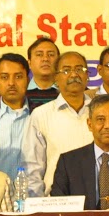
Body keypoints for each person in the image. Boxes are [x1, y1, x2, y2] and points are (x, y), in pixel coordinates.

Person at [22, 50, 92, 196]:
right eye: (66, 70)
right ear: (55, 78)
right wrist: (38, 204)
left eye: (79, 69)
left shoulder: (100, 113)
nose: (74, 75)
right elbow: (32, 168)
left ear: (87, 76)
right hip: (57, 200)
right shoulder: (41, 115)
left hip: (97, 199)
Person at [25, 36, 61, 108]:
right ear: (29, 63)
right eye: (39, 55)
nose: (45, 59)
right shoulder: (20, 92)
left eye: (51, 54)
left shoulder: (69, 91)